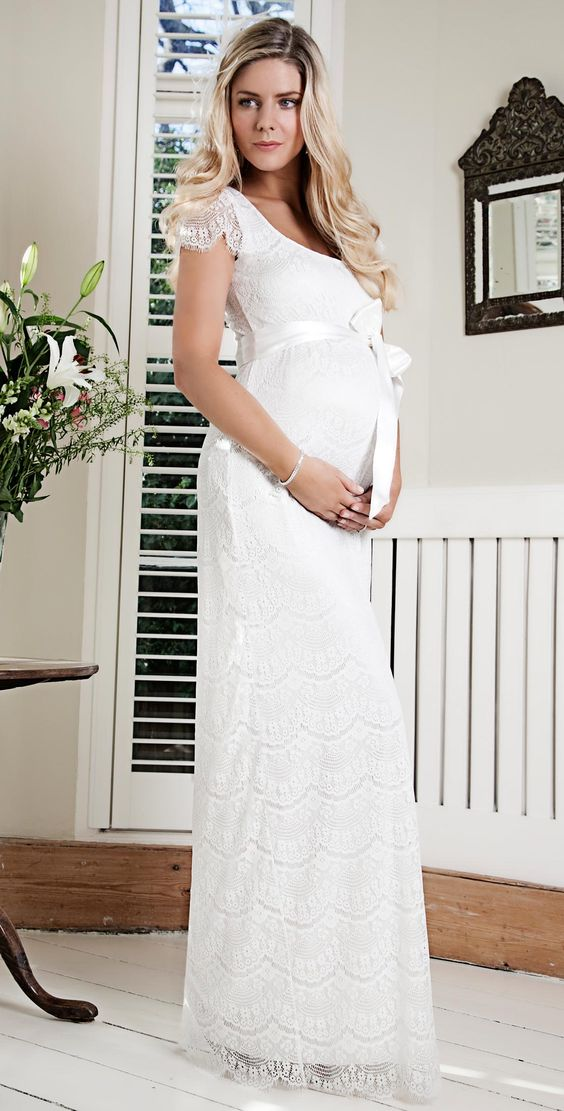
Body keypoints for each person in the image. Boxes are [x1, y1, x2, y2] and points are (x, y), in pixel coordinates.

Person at [160, 15, 442, 1105]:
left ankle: (336, 1005)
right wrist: (298, 473)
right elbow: (195, 366)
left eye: (284, 100)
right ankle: (257, 1010)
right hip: (270, 495)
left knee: (350, 734)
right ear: (225, 109)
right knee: (285, 731)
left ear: (308, 107)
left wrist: (388, 473)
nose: (267, 121)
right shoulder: (213, 212)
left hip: (340, 517)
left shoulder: (334, 226)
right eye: (247, 100)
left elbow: (378, 370)